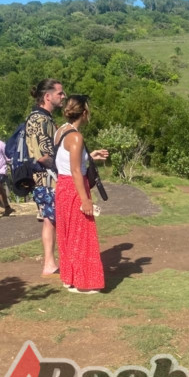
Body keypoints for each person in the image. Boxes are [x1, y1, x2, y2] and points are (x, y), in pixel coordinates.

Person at [53, 95, 109, 293]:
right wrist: (85, 200)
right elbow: (76, 170)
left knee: (68, 233)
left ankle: (70, 278)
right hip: (75, 187)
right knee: (82, 233)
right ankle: (83, 282)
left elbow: (66, 159)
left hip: (63, 186)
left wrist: (90, 156)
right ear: (84, 113)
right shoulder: (76, 137)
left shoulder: (62, 131)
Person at [26, 79, 67, 276]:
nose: (63, 96)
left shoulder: (41, 118)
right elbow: (43, 155)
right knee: (54, 219)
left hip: (43, 179)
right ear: (47, 96)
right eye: (60, 93)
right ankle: (52, 263)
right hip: (48, 179)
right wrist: (65, 170)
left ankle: (50, 263)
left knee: (49, 220)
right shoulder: (41, 120)